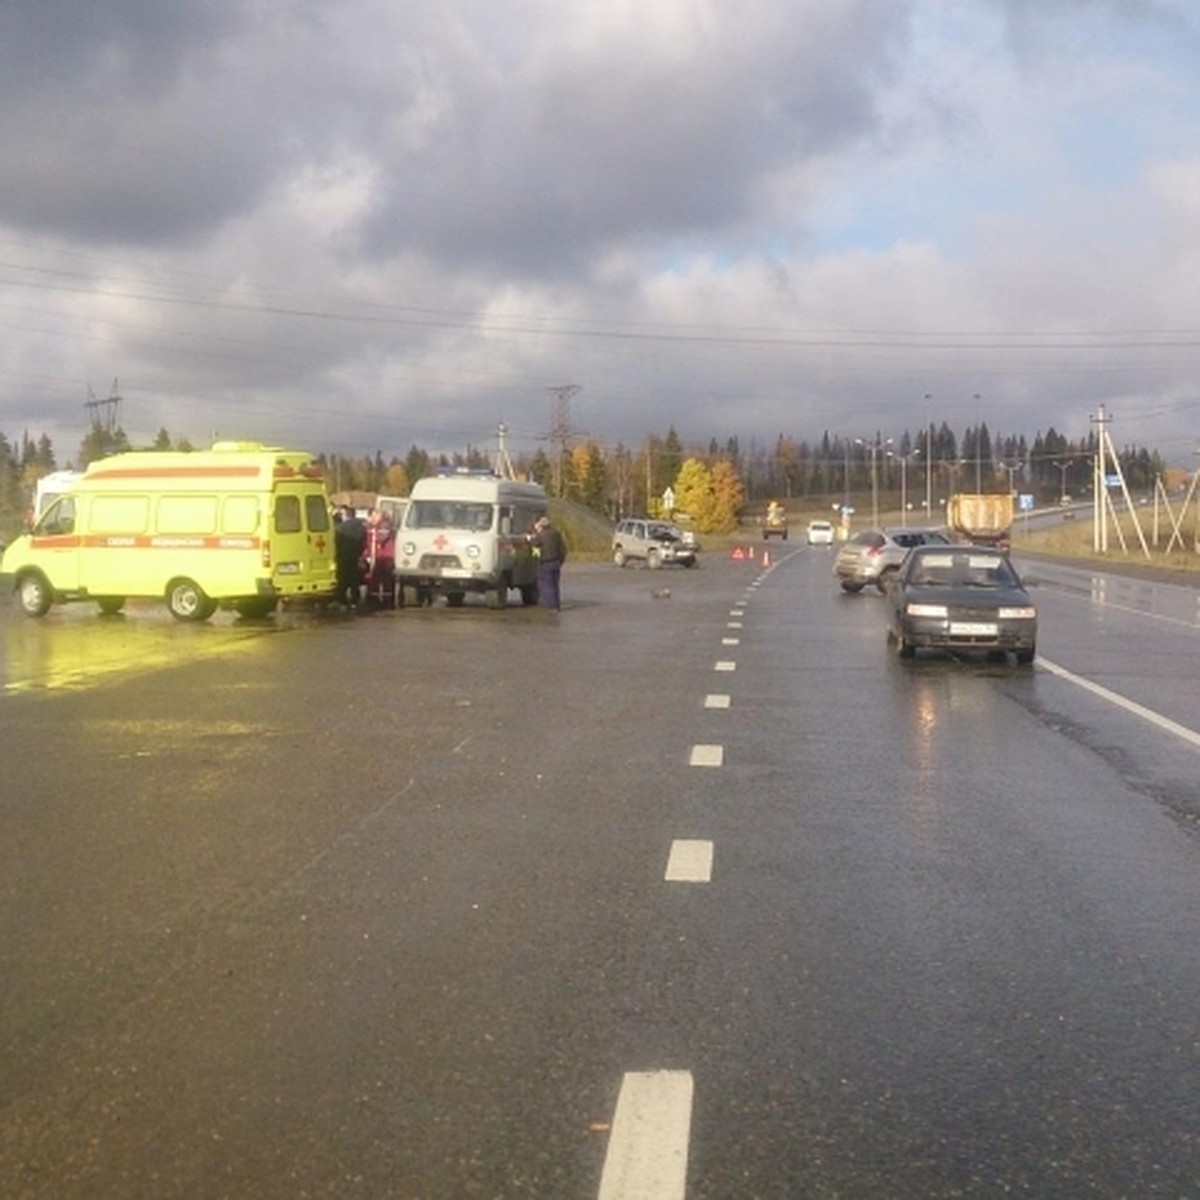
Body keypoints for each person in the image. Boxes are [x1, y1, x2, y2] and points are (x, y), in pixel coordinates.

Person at [529, 514, 567, 611]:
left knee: (546, 585)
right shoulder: (556, 533)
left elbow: (534, 544)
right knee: (555, 585)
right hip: (556, 562)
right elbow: (563, 549)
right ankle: (557, 605)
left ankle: (551, 606)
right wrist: (561, 561)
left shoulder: (541, 535)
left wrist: (529, 538)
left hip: (545, 563)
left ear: (542, 526)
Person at [333, 505, 367, 610]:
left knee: (342, 579)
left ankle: (341, 600)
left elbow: (336, 542)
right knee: (354, 580)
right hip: (355, 555)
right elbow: (364, 541)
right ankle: (354, 601)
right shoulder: (361, 526)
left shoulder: (341, 528)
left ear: (345, 514)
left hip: (343, 556)